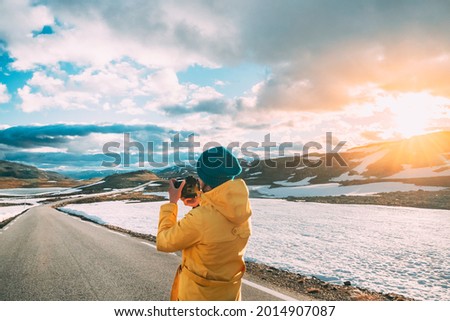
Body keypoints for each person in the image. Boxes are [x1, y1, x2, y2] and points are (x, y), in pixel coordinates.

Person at [156, 146, 252, 301]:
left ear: (206, 180)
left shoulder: (200, 218)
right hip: (230, 297)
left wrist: (172, 203)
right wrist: (199, 204)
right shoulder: (240, 209)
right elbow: (216, 222)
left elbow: (164, 242)